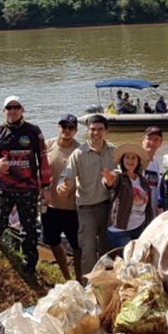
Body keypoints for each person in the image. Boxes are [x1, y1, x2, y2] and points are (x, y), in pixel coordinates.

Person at [0, 95, 51, 276]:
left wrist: (46, 186)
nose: (13, 111)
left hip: (28, 189)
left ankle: (29, 268)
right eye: (9, 108)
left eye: (16, 107)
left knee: (29, 231)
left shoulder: (34, 132)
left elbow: (42, 159)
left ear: (22, 110)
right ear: (4, 111)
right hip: (3, 187)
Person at [58, 114, 114, 276]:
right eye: (93, 130)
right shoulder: (78, 154)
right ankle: (88, 287)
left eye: (100, 130)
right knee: (87, 251)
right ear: (87, 131)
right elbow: (66, 174)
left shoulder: (114, 151)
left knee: (108, 250)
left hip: (108, 208)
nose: (96, 133)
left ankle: (108, 284)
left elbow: (123, 173)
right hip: (86, 209)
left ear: (106, 132)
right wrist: (62, 186)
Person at [43, 114, 83, 282]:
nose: (66, 131)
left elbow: (85, 176)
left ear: (75, 130)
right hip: (50, 205)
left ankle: (80, 279)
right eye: (63, 127)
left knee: (77, 246)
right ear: (58, 127)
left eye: (70, 128)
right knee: (53, 241)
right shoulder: (47, 146)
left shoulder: (80, 150)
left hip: (72, 206)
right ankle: (67, 276)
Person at [103, 143, 153, 248]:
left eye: (133, 158)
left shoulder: (143, 180)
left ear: (138, 161)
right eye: (127, 157)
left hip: (139, 226)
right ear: (122, 160)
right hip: (120, 229)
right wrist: (108, 181)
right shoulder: (119, 176)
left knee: (140, 258)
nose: (130, 161)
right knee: (130, 259)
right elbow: (110, 183)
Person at [141, 126, 164, 218]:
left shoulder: (156, 163)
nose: (152, 142)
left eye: (156, 139)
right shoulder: (134, 160)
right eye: (149, 139)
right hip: (138, 214)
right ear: (143, 141)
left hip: (152, 212)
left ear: (160, 143)